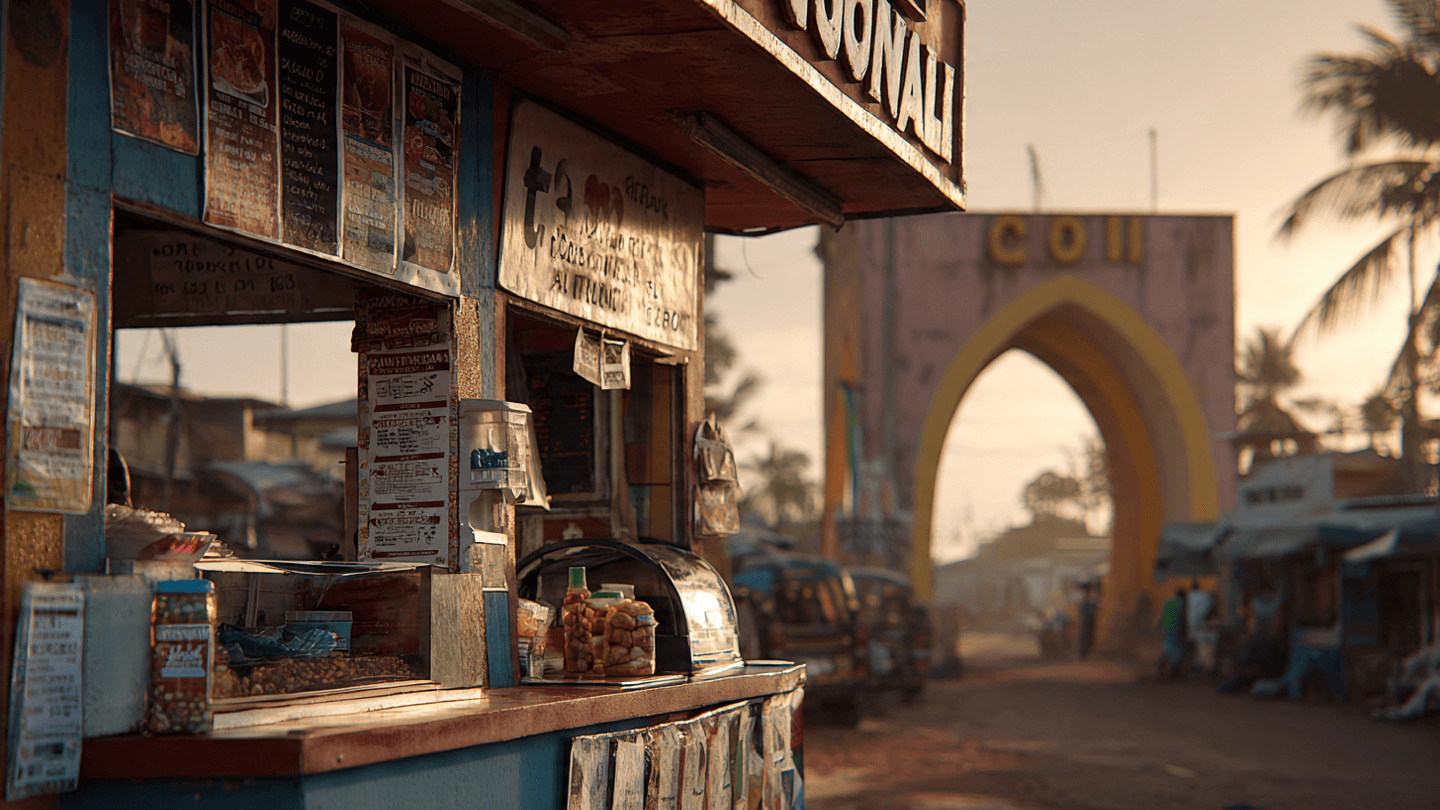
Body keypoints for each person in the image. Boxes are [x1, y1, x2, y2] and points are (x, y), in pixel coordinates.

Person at [1186, 581, 1217, 675]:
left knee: (1197, 647)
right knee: (1206, 646)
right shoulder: (1206, 596)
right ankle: (1204, 666)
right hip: (1202, 626)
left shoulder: (1190, 596)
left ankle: (1197, 665)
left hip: (1193, 626)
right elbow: (1211, 609)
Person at [1158, 588, 1187, 679]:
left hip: (1165, 628)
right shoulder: (1181, 603)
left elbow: (1162, 615)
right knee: (1175, 651)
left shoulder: (1168, 602)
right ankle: (1172, 673)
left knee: (1168, 648)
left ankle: (1163, 671)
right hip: (1174, 628)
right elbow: (1182, 616)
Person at [1077, 582, 1098, 660]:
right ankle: (1083, 654)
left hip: (1090, 621)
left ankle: (1086, 654)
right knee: (1084, 636)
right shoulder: (1085, 602)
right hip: (1086, 621)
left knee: (1088, 637)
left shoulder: (1090, 600)